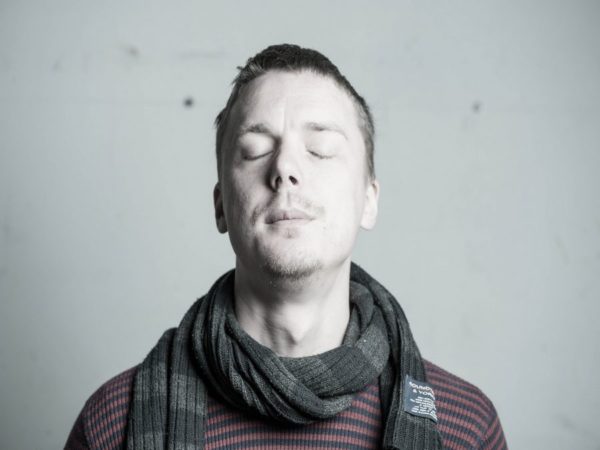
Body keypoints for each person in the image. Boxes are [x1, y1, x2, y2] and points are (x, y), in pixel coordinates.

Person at [65, 44, 507, 450]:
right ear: (220, 206)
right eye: (255, 150)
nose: (285, 168)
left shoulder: (465, 428)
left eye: (320, 149)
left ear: (369, 200)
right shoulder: (112, 424)